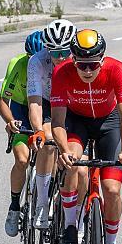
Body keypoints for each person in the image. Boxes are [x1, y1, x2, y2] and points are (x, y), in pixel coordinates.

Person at [50, 29, 122, 244]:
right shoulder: (62, 72)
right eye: (82, 65)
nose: (88, 71)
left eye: (93, 65)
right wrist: (64, 151)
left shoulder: (116, 69)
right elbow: (57, 121)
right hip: (77, 122)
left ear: (102, 60)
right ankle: (69, 224)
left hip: (108, 122)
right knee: (75, 164)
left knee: (111, 189)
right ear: (73, 61)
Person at [26, 19, 77, 230]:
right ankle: (42, 203)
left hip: (74, 103)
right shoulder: (37, 62)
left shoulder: (80, 59)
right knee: (47, 140)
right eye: (54, 53)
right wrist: (38, 130)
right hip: (48, 103)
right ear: (47, 49)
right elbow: (35, 102)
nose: (60, 58)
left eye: (65, 52)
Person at [0, 31, 44, 237]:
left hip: (44, 108)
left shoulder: (52, 65)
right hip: (20, 109)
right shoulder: (17, 64)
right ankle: (15, 206)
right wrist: (10, 121)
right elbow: (2, 102)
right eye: (30, 58)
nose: (34, 62)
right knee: (22, 160)